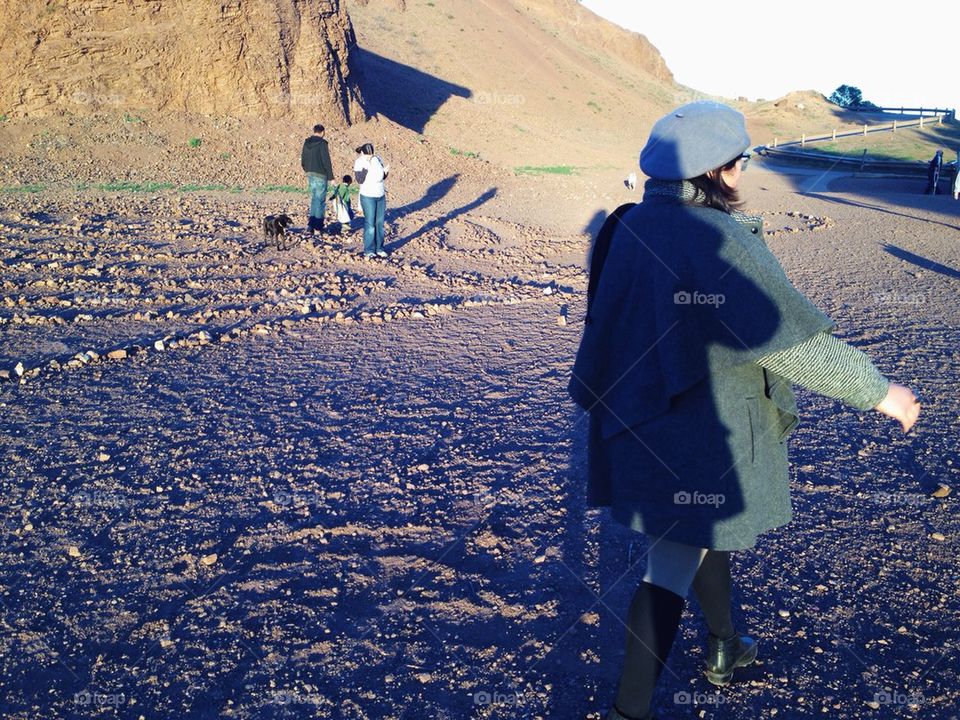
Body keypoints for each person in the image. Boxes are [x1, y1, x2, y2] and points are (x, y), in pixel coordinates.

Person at [568, 101, 921, 720]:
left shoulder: (624, 225)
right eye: (741, 164)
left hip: (639, 424)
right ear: (724, 172)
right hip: (702, 432)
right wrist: (879, 391)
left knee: (702, 537)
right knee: (669, 566)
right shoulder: (717, 238)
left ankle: (726, 645)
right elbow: (788, 341)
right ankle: (632, 709)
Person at [353, 143, 389, 258]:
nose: (370, 157)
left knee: (380, 223)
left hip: (380, 195)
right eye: (367, 155)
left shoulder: (377, 159)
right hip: (368, 195)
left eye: (371, 154)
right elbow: (359, 180)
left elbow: (381, 177)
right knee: (370, 223)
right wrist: (366, 167)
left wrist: (385, 172)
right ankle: (369, 250)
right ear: (362, 153)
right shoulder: (359, 162)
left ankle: (379, 248)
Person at [301, 124, 335, 236]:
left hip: (310, 174)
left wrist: (307, 170)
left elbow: (303, 159)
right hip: (321, 175)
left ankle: (311, 225)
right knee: (320, 201)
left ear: (314, 131)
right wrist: (331, 178)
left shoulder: (306, 142)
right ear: (322, 132)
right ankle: (318, 227)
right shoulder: (322, 143)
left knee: (314, 199)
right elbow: (326, 161)